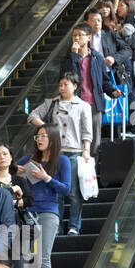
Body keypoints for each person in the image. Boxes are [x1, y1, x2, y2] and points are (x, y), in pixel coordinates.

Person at [14, 125, 71, 268]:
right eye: (37, 136)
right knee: (22, 257)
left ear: (52, 139)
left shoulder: (62, 161)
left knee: (42, 256)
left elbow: (66, 189)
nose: (39, 140)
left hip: (48, 212)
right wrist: (16, 172)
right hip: (27, 212)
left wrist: (46, 177)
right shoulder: (28, 160)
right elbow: (9, 173)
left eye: (43, 136)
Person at [28, 73, 92, 234]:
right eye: (61, 85)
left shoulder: (84, 106)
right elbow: (32, 116)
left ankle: (73, 226)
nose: (62, 88)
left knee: (74, 192)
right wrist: (47, 129)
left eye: (66, 84)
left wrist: (86, 149)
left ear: (75, 86)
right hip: (54, 153)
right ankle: (57, 226)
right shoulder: (51, 103)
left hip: (74, 153)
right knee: (56, 192)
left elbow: (87, 132)